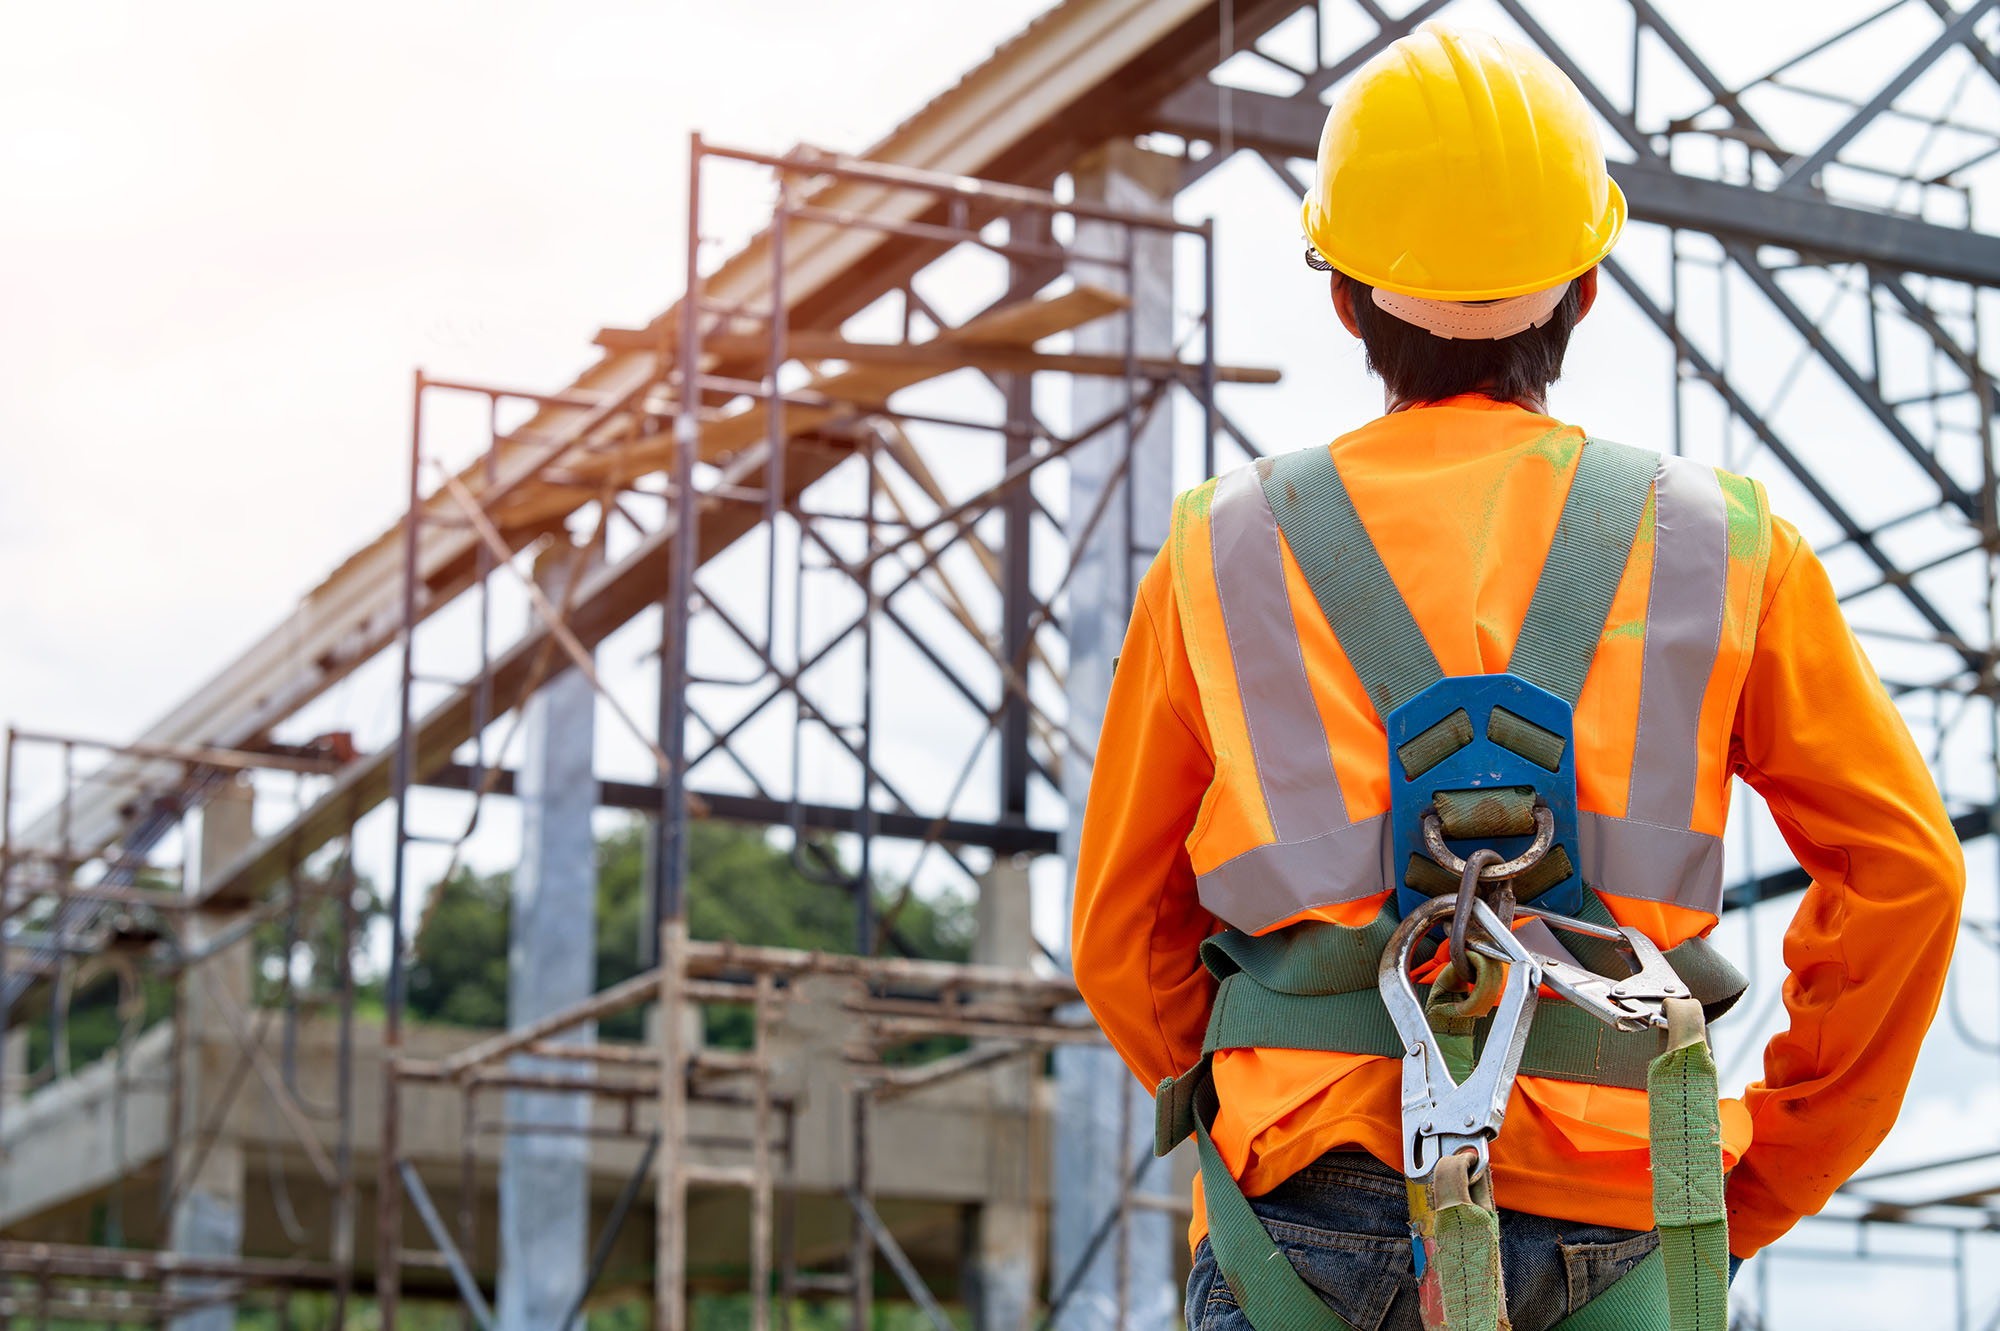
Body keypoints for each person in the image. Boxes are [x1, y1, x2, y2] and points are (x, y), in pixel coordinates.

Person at [1070, 20, 1965, 1331]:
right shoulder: (1722, 542)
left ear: (1343, 295)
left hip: (1300, 1217)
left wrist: (1269, 1085)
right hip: (1624, 1212)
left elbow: (1121, 930)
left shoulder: (1222, 547)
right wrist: (1761, 1170)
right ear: (1586, 286)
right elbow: (1907, 875)